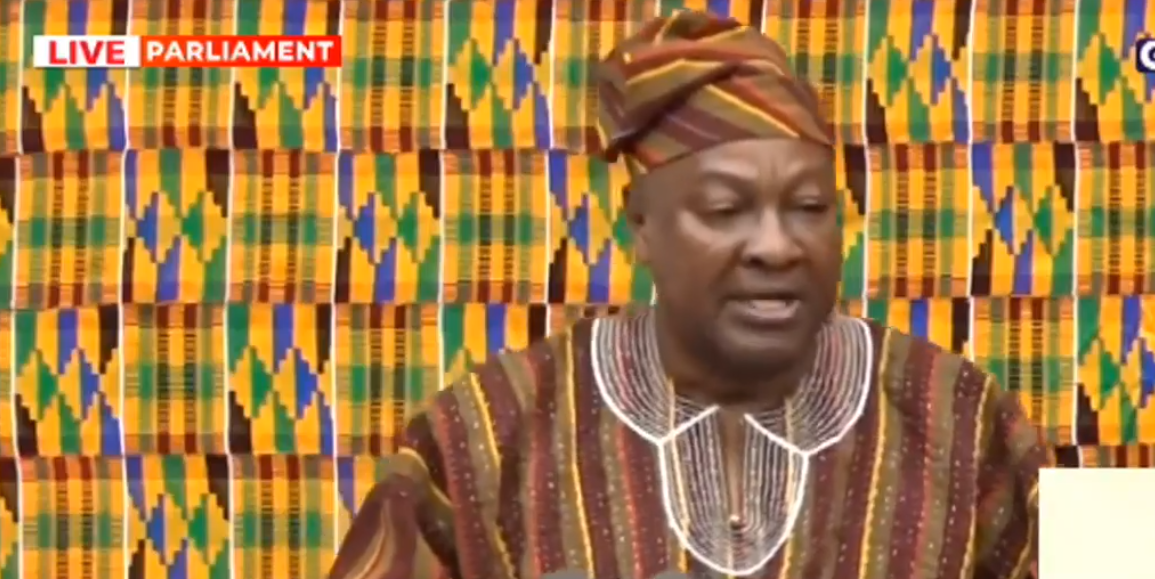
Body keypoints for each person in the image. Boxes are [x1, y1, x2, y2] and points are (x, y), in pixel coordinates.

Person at [328, 11, 1044, 579]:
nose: (777, 246)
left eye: (809, 207)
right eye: (726, 210)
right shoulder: (490, 433)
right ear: (641, 227)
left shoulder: (958, 423)